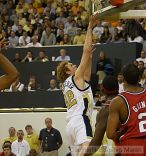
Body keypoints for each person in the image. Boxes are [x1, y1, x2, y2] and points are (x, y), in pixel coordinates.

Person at [57, 15, 97, 156]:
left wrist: (90, 59)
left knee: (79, 153)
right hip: (81, 119)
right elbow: (85, 51)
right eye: (71, 65)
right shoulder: (75, 77)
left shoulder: (68, 84)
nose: (74, 65)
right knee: (88, 146)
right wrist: (90, 28)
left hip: (70, 125)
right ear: (68, 71)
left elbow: (87, 76)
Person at [106, 64, 146, 156]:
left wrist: (120, 133)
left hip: (131, 146)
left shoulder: (118, 101)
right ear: (139, 78)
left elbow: (110, 134)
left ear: (123, 79)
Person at [84, 75, 119, 155]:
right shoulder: (126, 99)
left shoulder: (105, 110)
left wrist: (85, 155)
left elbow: (96, 142)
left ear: (102, 89)